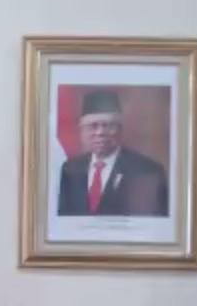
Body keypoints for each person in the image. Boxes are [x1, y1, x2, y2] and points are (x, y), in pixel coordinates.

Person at [56, 89, 169, 217]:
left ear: (120, 129)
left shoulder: (147, 171)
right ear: (82, 131)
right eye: (93, 126)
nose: (100, 133)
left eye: (108, 126)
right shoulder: (70, 169)